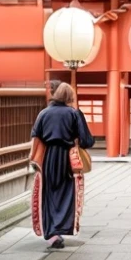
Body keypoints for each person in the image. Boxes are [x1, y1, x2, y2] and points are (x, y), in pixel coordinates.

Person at [30, 82, 94, 249]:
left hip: (48, 158)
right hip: (67, 159)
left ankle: (51, 234)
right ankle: (62, 226)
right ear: (70, 97)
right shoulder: (74, 114)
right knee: (66, 194)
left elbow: (36, 137)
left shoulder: (43, 113)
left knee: (49, 194)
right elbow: (87, 141)